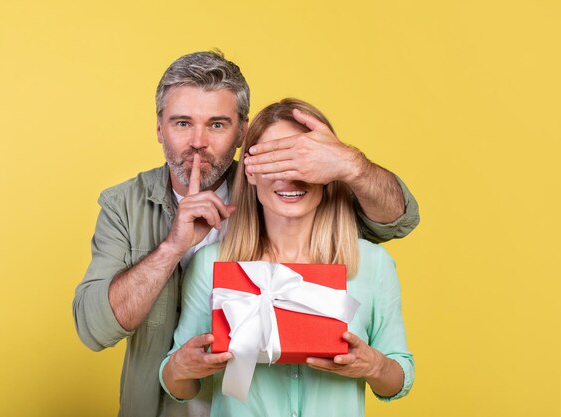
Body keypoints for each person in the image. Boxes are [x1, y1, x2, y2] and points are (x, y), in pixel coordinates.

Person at [73, 51, 419, 417]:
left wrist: (349, 164)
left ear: (242, 131)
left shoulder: (287, 188)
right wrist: (173, 247)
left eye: (218, 124)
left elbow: (397, 221)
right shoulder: (124, 207)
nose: (198, 142)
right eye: (182, 123)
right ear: (159, 128)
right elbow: (95, 329)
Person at [160, 98, 414, 417]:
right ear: (250, 173)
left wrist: (374, 366)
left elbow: (398, 378)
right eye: (274, 162)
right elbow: (178, 385)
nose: (289, 177)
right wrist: (181, 368)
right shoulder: (212, 265)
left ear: (328, 171)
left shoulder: (373, 264)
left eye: (302, 161)